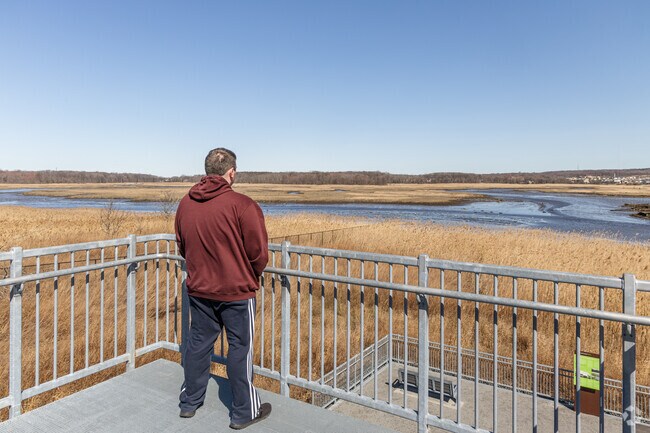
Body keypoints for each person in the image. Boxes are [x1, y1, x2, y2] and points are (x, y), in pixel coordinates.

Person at [176, 147, 271, 430]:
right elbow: (259, 253)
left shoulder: (185, 204)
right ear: (232, 172)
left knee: (198, 344)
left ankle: (189, 402)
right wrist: (248, 275)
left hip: (200, 289)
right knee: (240, 348)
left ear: (207, 172)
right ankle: (244, 412)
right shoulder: (243, 205)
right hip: (236, 293)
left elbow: (183, 247)